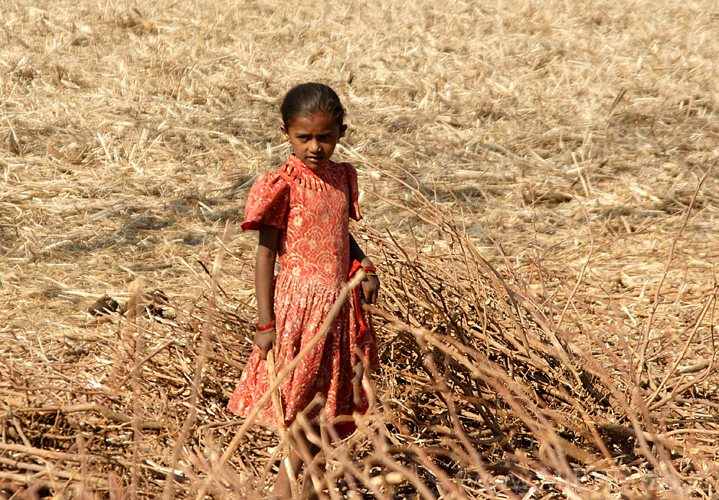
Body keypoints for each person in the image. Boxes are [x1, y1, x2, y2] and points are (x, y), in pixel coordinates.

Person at [227, 82, 379, 498]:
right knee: (299, 421)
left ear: (341, 134)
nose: (315, 147)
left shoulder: (341, 178)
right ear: (285, 133)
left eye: (325, 138)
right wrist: (265, 322)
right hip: (298, 311)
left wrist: (363, 264)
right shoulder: (282, 184)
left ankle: (302, 493)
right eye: (304, 137)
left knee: (319, 419)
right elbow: (264, 257)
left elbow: (340, 234)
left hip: (335, 312)